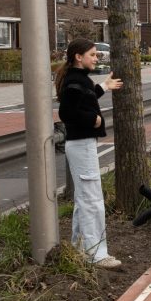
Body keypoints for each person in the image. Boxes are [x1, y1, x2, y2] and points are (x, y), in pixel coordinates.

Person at [55, 38, 124, 269]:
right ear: (78, 57)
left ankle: (80, 248)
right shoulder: (75, 80)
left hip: (82, 144)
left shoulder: (78, 79)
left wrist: (103, 87)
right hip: (82, 144)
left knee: (84, 200)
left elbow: (84, 98)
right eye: (93, 55)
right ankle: (97, 255)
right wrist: (93, 119)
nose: (97, 58)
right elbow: (66, 111)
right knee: (93, 201)